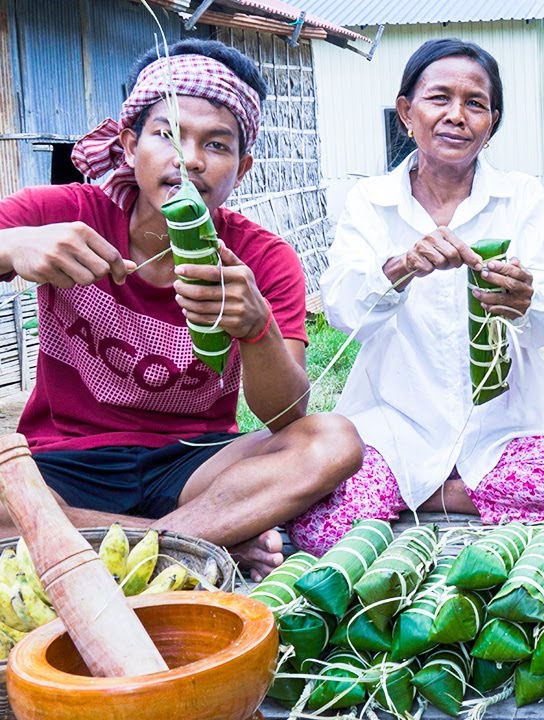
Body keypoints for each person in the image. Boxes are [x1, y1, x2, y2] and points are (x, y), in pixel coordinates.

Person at [0, 39, 364, 580]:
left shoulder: (262, 258)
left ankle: (97, 543)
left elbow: (288, 417)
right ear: (129, 146)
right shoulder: (64, 214)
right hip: (66, 457)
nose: (190, 159)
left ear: (241, 168)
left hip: (196, 462)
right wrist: (12, 247)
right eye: (166, 135)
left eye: (216, 145)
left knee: (333, 440)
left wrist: (256, 327)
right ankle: (202, 541)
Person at [311, 39, 544, 551]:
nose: (456, 116)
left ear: (491, 123)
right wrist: (399, 268)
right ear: (406, 113)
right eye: (439, 98)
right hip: (395, 427)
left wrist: (527, 300)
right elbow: (345, 312)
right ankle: (459, 495)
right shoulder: (371, 202)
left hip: (505, 433)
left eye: (475, 103)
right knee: (319, 525)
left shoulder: (522, 197)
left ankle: (435, 496)